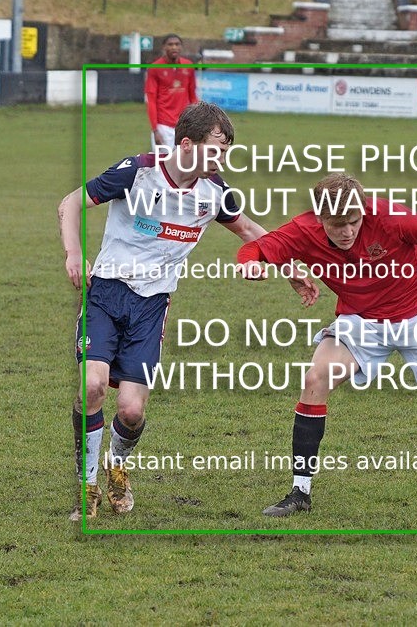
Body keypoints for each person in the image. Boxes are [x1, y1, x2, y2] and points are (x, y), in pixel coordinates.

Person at [58, 101, 317, 521]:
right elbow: (70, 203)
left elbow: (250, 230)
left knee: (131, 410)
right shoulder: (137, 171)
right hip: (104, 294)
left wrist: (289, 270)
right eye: (215, 150)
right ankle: (86, 488)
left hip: (152, 307)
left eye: (225, 152)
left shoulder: (213, 193)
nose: (220, 160)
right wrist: (74, 252)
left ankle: (116, 467)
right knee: (93, 385)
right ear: (186, 144)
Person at [237, 173, 417, 517]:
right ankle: (300, 492)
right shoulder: (302, 229)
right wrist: (248, 265)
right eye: (337, 225)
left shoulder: (391, 218)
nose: (348, 232)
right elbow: (254, 248)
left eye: (354, 222)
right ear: (319, 217)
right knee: (314, 379)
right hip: (360, 321)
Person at [145, 34, 198, 151]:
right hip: (164, 126)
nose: (174, 47)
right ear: (164, 47)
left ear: (181, 47)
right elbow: (151, 100)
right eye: (170, 44)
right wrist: (155, 130)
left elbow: (193, 96)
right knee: (162, 166)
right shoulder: (155, 68)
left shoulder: (188, 66)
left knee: (184, 165)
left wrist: (197, 121)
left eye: (177, 44)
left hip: (184, 125)